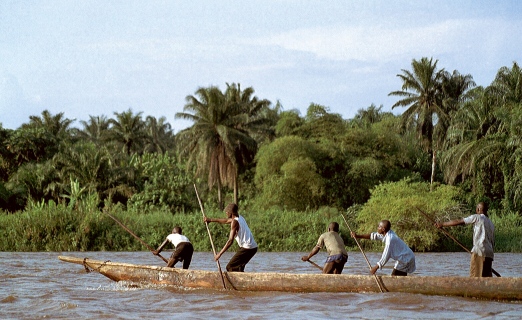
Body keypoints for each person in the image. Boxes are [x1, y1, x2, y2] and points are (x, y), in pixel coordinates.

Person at [436, 202, 494, 277]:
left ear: (478, 209)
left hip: (479, 251)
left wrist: (442, 224)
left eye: (476, 209)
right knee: (487, 281)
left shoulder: (477, 217)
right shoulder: (491, 223)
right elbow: (493, 242)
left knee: (475, 278)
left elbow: (459, 221)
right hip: (489, 254)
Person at [204, 203, 258, 272]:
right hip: (253, 248)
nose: (226, 213)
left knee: (230, 266)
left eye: (227, 212)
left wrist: (219, 254)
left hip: (248, 248)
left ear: (231, 213)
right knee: (239, 267)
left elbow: (230, 241)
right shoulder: (239, 217)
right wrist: (210, 220)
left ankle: (235, 281)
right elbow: (226, 221)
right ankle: (241, 281)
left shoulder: (235, 222)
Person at [351, 220, 416, 276]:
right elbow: (373, 236)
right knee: (397, 277)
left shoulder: (390, 240)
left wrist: (375, 268)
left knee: (394, 277)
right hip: (405, 258)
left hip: (406, 258)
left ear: (383, 229)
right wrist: (357, 236)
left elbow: (385, 256)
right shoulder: (387, 233)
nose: (377, 228)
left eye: (379, 226)